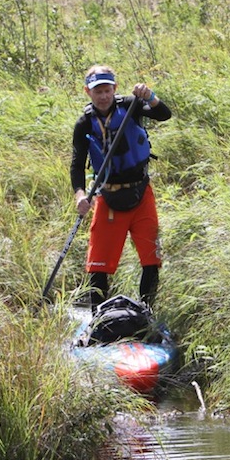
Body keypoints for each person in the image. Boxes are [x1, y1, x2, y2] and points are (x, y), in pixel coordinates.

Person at [70, 64, 171, 310]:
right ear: (88, 92)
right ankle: (98, 319)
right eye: (97, 91)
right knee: (98, 265)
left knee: (151, 259)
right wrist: (80, 195)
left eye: (107, 90)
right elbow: (76, 165)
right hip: (108, 196)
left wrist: (150, 96)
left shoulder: (130, 106)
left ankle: (148, 312)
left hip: (140, 193)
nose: (103, 96)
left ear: (114, 88)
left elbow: (164, 115)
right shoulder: (84, 124)